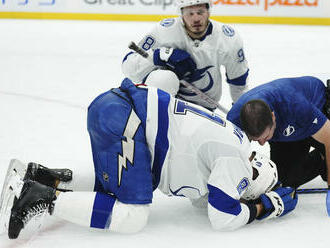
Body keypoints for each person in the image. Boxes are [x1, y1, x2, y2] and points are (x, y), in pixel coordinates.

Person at [1, 78, 297, 239]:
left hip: (120, 107)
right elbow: (222, 218)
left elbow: (203, 201)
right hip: (129, 118)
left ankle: (41, 175)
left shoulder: (235, 143)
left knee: (116, 187)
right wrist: (264, 207)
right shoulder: (238, 162)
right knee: (132, 216)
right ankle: (43, 197)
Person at [122, 0, 250, 110]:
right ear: (181, 13)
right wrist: (159, 55)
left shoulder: (227, 38)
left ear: (208, 11)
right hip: (170, 105)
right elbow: (129, 69)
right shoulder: (164, 31)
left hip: (205, 107)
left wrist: (241, 112)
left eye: (200, 12)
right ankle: (154, 119)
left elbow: (238, 83)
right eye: (190, 13)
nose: (196, 18)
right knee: (163, 79)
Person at [227, 76, 330, 190]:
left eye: (265, 137)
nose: (262, 144)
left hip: (315, 110)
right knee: (284, 181)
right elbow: (235, 157)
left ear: (273, 117)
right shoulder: (235, 121)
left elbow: (329, 137)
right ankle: (320, 160)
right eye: (256, 140)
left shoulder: (295, 104)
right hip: (287, 130)